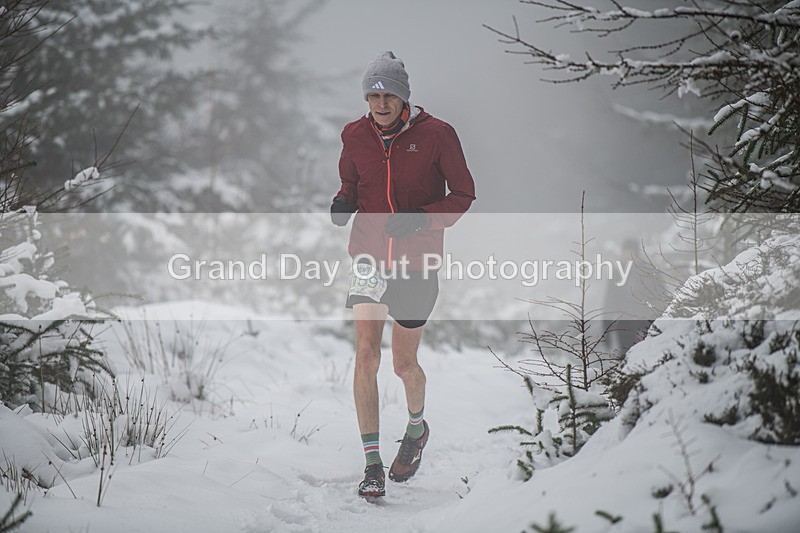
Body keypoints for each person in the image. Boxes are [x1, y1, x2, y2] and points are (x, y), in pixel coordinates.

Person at [330, 51, 475, 498]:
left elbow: (464, 194)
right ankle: (372, 464)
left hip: (416, 262)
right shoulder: (354, 136)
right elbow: (352, 185)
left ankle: (416, 430)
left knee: (403, 364)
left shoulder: (438, 135)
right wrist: (343, 202)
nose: (380, 102)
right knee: (366, 356)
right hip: (369, 258)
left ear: (403, 96)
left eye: (388, 93)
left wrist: (421, 218)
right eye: (373, 94)